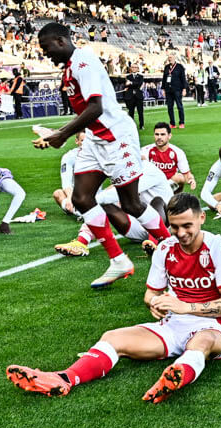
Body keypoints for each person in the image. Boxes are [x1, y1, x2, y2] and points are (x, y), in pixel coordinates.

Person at [6, 193, 221, 403]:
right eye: (175, 227)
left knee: (201, 343)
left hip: (211, 327)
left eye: (187, 226)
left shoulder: (219, 248)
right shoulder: (165, 248)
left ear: (201, 218)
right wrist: (154, 303)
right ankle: (64, 378)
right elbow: (151, 293)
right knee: (112, 337)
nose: (181, 233)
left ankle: (176, 375)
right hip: (173, 325)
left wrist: (185, 306)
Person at [33, 22, 171, 288]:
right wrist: (56, 134)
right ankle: (119, 261)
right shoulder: (70, 68)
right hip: (95, 139)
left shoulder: (83, 63)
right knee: (81, 198)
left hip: (116, 138)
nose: (45, 53)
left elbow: (96, 107)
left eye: (46, 47)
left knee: (131, 204)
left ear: (61, 41)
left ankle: (171, 248)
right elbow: (87, 113)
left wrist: (62, 134)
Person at [54, 160, 173, 258]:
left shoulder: (150, 171)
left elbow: (119, 193)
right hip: (136, 227)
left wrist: (86, 203)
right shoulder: (125, 173)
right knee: (103, 205)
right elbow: (112, 195)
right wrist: (89, 205)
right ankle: (81, 243)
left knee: (157, 202)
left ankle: (155, 243)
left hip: (164, 226)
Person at [143, 122, 195, 191]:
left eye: (162, 134)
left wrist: (191, 179)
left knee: (180, 178)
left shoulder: (178, 152)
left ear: (169, 136)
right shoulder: (145, 150)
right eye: (157, 134)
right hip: (151, 183)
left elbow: (186, 173)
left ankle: (175, 197)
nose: (159, 137)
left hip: (168, 182)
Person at [162, 53, 187, 129]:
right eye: (169, 57)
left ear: (174, 58)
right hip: (168, 90)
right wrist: (163, 89)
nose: (169, 59)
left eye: (171, 57)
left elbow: (183, 78)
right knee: (170, 107)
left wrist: (184, 89)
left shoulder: (179, 67)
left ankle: (181, 122)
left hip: (177, 89)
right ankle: (172, 123)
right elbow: (164, 78)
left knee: (179, 106)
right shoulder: (166, 67)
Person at [124, 65, 145, 130]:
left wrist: (131, 83)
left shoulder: (141, 76)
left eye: (135, 67)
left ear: (138, 69)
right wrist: (131, 84)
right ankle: (131, 125)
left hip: (138, 96)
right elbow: (127, 85)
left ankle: (141, 125)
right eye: (132, 67)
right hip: (131, 96)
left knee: (140, 111)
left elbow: (139, 84)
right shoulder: (128, 76)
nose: (134, 68)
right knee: (131, 111)